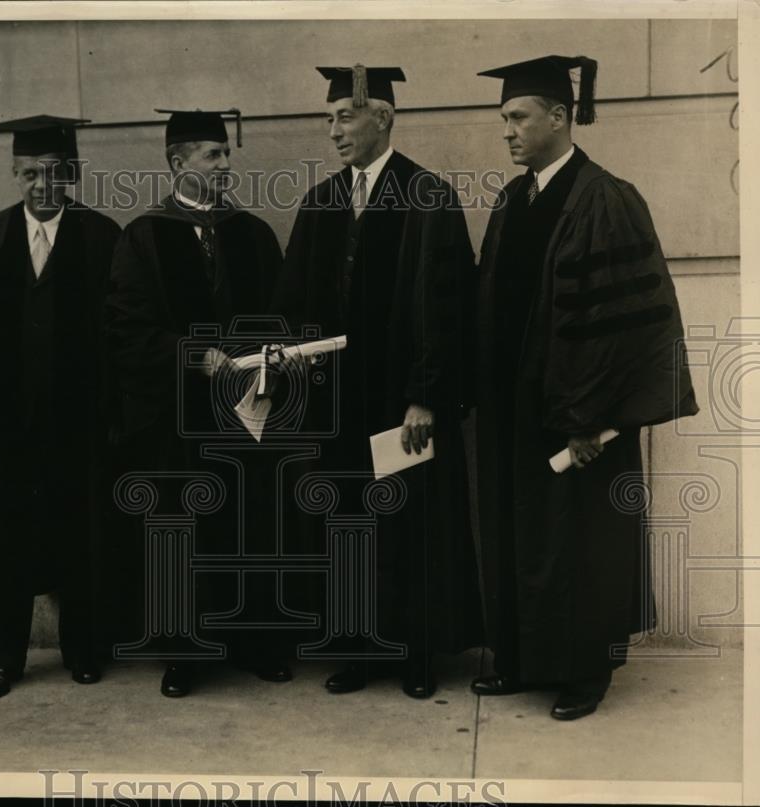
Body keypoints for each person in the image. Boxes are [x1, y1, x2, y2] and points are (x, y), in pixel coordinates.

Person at [472, 55, 698, 719]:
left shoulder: (606, 197)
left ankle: (583, 672)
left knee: (582, 540)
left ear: (560, 117)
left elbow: (620, 323)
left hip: (582, 417)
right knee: (523, 532)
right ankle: (522, 659)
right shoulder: (514, 199)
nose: (507, 131)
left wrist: (588, 415)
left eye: (518, 117)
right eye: (504, 119)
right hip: (519, 408)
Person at [270, 65, 484, 699]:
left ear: (382, 118)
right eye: (329, 118)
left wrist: (428, 396)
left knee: (410, 528)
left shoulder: (427, 195)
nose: (332, 130)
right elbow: (296, 296)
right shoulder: (322, 200)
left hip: (400, 401)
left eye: (344, 116)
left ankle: (417, 656)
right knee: (349, 527)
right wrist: (298, 351)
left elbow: (449, 307)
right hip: (337, 402)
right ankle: (358, 651)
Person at [0, 115, 121, 700]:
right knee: (6, 543)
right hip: (9, 422)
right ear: (14, 174)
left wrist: (114, 413)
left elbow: (121, 332)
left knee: (81, 535)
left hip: (78, 421)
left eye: (55, 172)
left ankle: (82, 651)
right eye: (31, 172)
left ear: (73, 174)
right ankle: (6, 661)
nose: (43, 184)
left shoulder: (103, 237)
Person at [103, 109, 287, 698]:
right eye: (213, 155)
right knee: (181, 529)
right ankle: (184, 655)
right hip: (175, 420)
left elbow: (279, 317)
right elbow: (126, 331)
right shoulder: (144, 236)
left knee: (250, 526)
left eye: (227, 153)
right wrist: (191, 354)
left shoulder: (252, 232)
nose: (226, 165)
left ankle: (257, 643)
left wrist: (275, 356)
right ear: (178, 163)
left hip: (244, 414)